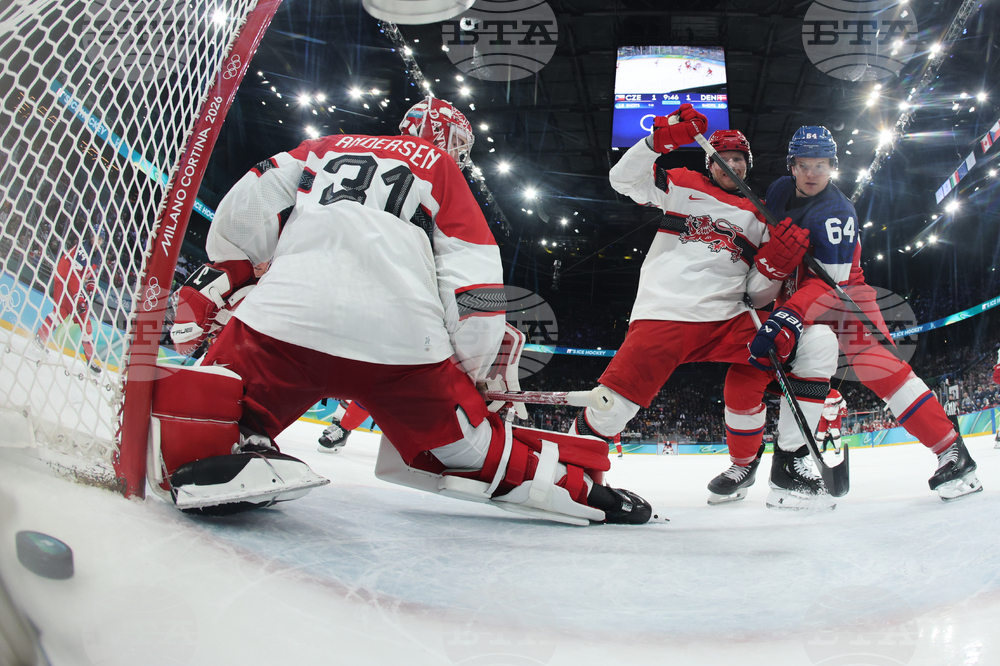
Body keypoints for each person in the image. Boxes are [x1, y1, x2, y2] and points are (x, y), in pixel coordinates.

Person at [158, 96, 651, 524]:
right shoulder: (442, 169)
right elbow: (475, 287)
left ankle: (235, 446)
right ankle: (591, 494)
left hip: (282, 321)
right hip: (401, 347)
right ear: (457, 144)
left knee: (223, 408)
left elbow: (247, 205)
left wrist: (233, 269)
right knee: (472, 449)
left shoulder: (324, 147)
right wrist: (471, 373)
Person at [568, 104, 839, 508]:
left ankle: (783, 464)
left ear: (747, 166)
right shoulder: (681, 184)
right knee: (612, 406)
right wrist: (654, 143)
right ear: (709, 162)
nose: (730, 165)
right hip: (666, 315)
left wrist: (774, 264)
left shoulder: (761, 215)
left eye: (737, 160)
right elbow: (622, 180)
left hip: (730, 318)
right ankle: (569, 476)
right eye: (722, 159)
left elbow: (759, 294)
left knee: (816, 341)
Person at [750, 126, 981, 502]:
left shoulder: (837, 212)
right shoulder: (778, 190)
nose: (812, 173)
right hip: (796, 294)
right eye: (804, 164)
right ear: (791, 166)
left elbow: (830, 283)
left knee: (883, 369)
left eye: (821, 165)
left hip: (843, 299)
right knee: (803, 371)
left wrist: (788, 314)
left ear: (833, 166)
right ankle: (790, 465)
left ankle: (952, 451)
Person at [34, 218, 106, 374]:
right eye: (95, 236)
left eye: (100, 238)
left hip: (75, 284)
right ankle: (40, 337)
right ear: (91, 236)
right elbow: (73, 276)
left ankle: (90, 358)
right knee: (62, 312)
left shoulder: (97, 255)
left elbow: (89, 274)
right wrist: (79, 298)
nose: (97, 240)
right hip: (63, 279)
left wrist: (91, 285)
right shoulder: (83, 249)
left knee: (84, 319)